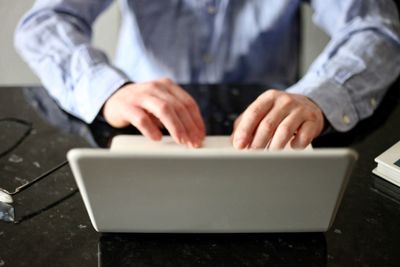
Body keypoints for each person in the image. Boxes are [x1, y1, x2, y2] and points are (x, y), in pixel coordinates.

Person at [15, 0, 400, 149]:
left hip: (275, 132)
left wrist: (320, 94)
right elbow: (45, 21)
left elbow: (374, 27)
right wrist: (106, 88)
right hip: (139, 125)